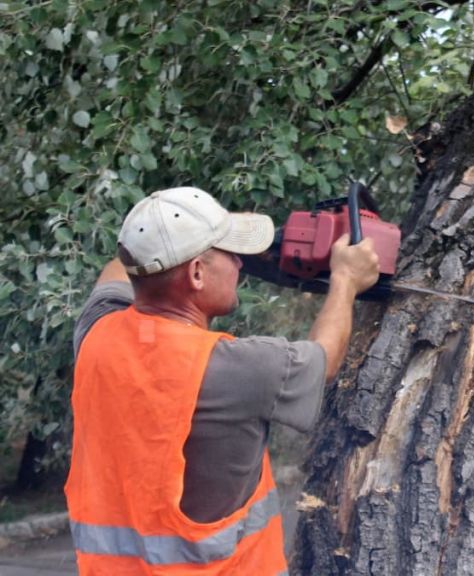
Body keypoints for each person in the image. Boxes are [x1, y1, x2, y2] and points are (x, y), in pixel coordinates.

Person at [64, 186, 379, 575]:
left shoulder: (97, 333)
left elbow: (121, 267)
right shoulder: (237, 368)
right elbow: (324, 359)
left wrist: (175, 226)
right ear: (197, 272)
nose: (241, 265)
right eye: (231, 255)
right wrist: (345, 279)